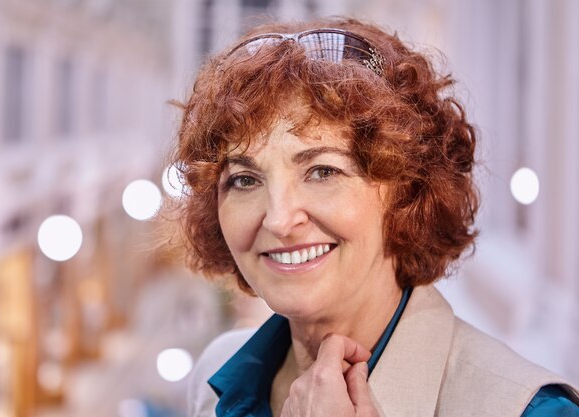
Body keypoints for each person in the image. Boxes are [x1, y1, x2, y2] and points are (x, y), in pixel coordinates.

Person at [165, 16, 579, 417]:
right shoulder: (214, 378)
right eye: (244, 180)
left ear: (407, 190)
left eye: (323, 171)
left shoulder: (529, 409)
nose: (278, 219)